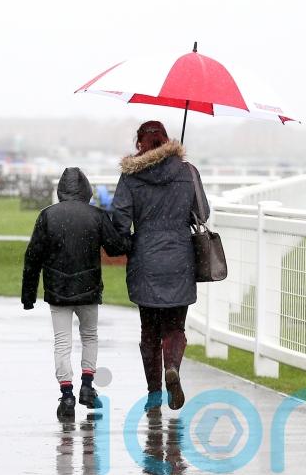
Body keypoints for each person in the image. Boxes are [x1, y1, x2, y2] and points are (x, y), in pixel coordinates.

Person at [111, 121, 209, 412]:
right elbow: (202, 212)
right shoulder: (187, 171)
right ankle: (173, 367)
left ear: (139, 143)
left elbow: (119, 220)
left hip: (145, 261)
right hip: (180, 260)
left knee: (149, 332)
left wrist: (131, 241)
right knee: (175, 327)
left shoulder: (130, 177)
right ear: (168, 141)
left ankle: (154, 395)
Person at [22, 167, 129, 420]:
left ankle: (67, 394)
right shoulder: (97, 215)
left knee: (62, 342)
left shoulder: (47, 216)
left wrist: (28, 296)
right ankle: (88, 387)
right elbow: (116, 248)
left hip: (58, 290)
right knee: (90, 337)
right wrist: (131, 236)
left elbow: (32, 257)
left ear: (61, 190)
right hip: (88, 289)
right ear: (87, 190)